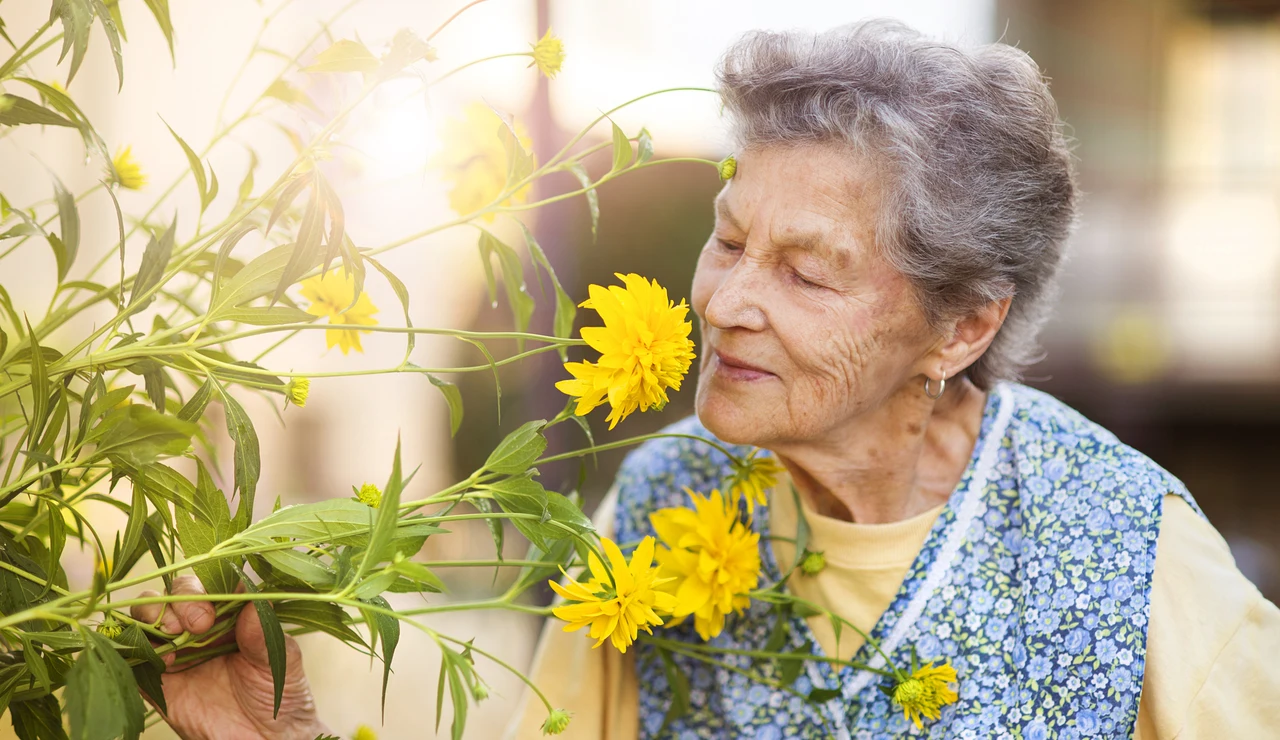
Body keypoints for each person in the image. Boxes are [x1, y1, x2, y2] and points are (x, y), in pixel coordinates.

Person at [141, 20, 1280, 740]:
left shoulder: (1124, 545)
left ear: (962, 326)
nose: (726, 298)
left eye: (807, 271)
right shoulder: (660, 498)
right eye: (729, 238)